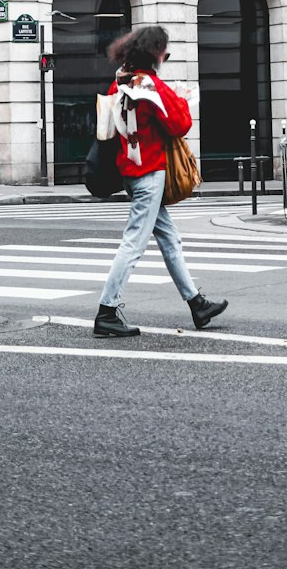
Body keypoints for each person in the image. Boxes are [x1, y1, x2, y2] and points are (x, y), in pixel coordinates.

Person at [93, 24, 228, 339]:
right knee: (134, 243)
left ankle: (197, 303)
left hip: (129, 170)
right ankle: (106, 311)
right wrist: (181, 98)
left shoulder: (121, 81)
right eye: (165, 52)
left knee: (169, 239)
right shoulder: (151, 85)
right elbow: (179, 124)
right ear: (155, 54)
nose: (166, 56)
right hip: (150, 172)